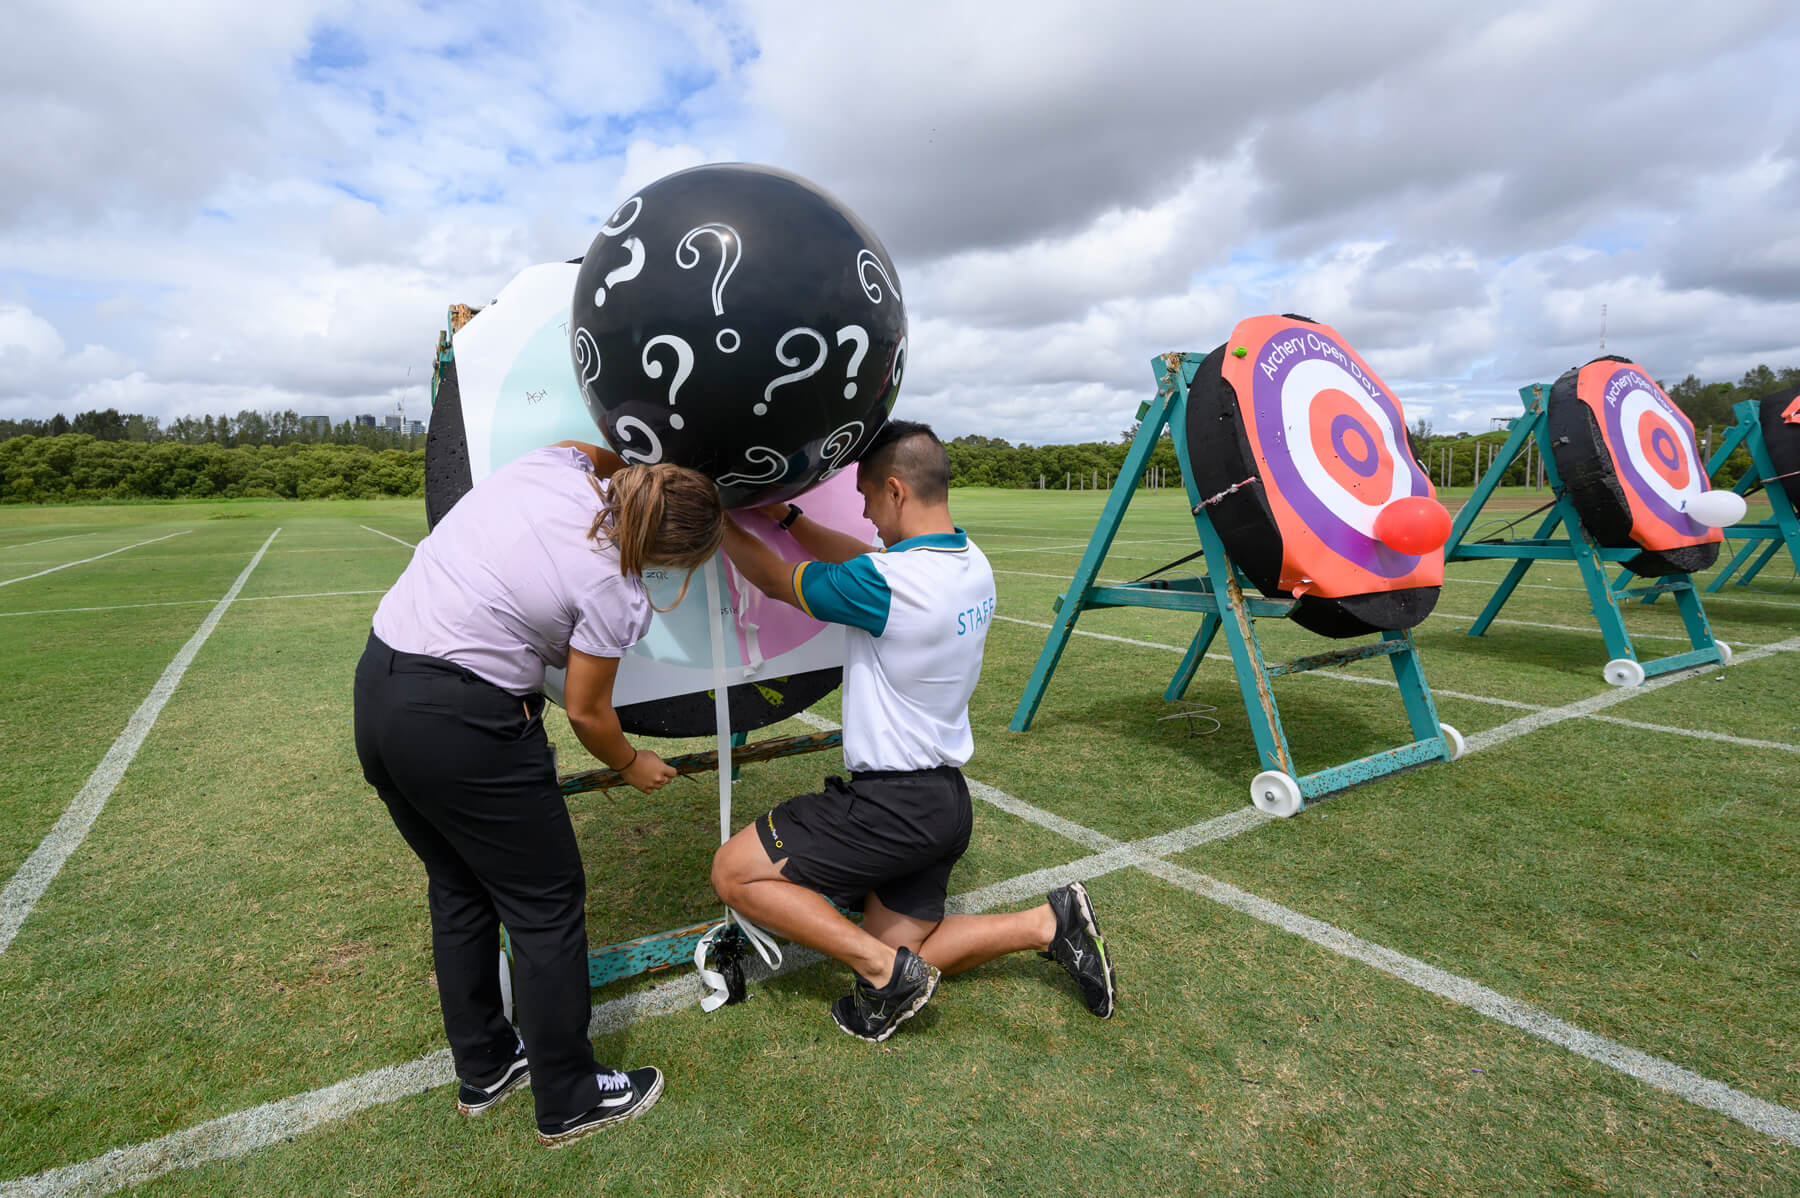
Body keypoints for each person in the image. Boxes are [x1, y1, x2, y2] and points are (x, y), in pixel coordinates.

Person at [353, 441, 723, 1146]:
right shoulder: (615, 586)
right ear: (672, 558)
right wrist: (632, 763)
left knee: (459, 888)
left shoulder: (553, 468)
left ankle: (488, 1063)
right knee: (546, 906)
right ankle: (570, 1096)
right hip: (463, 722)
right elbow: (588, 711)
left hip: (378, 690)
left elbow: (594, 447)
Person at [710, 420, 1117, 1041]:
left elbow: (772, 578)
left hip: (890, 805)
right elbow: (865, 560)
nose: (867, 514)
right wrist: (791, 520)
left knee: (733, 873)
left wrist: (709, 514)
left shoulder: (888, 586)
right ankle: (1049, 922)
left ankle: (883, 975)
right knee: (905, 952)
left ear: (895, 490)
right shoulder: (968, 561)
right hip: (945, 803)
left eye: (868, 497)